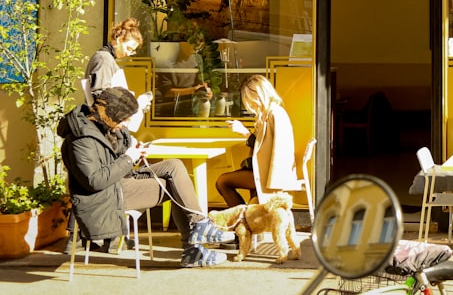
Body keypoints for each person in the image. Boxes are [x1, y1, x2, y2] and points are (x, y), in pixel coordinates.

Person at [57, 87, 234, 267]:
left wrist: (132, 151)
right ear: (111, 114)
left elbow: (112, 157)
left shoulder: (104, 126)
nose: (126, 123)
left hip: (120, 182)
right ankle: (194, 248)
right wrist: (129, 158)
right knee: (172, 186)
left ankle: (199, 227)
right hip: (103, 197)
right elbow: (94, 181)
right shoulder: (81, 139)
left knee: (174, 166)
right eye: (124, 118)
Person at [216, 75, 299, 207]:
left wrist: (246, 133)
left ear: (259, 94)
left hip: (268, 175)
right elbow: (263, 146)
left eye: (249, 98)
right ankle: (244, 218)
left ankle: (242, 219)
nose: (249, 104)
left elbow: (279, 149)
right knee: (223, 182)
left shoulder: (275, 113)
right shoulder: (269, 113)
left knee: (223, 182)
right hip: (262, 171)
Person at [84, 18, 152, 129]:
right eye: (129, 48)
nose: (129, 53)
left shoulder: (106, 58)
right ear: (119, 39)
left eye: (133, 51)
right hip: (102, 126)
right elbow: (101, 97)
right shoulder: (104, 59)